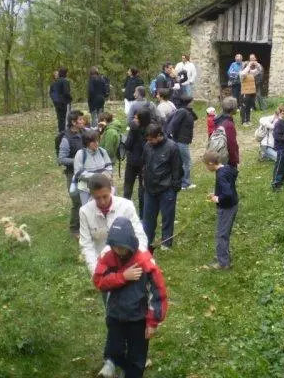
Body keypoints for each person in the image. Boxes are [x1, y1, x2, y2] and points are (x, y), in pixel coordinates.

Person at [79, 175, 149, 378]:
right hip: (106, 270)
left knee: (135, 312)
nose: (102, 201)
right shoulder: (85, 212)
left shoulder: (126, 206)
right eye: (97, 198)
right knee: (113, 315)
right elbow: (86, 244)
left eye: (105, 196)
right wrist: (97, 272)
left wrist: (138, 264)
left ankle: (137, 353)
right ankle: (111, 359)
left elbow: (140, 235)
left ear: (111, 190)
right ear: (91, 196)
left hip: (132, 268)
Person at [93, 217, 167, 378]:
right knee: (114, 352)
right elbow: (99, 282)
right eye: (115, 246)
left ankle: (132, 371)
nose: (118, 251)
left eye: (122, 247)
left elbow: (158, 292)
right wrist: (122, 277)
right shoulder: (107, 256)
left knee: (137, 359)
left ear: (131, 243)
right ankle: (122, 367)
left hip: (138, 319)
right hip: (115, 316)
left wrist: (153, 322)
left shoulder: (144, 260)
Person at [142, 124, 182, 250]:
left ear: (159, 135)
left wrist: (174, 188)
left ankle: (166, 242)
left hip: (166, 189)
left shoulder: (172, 147)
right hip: (149, 189)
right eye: (148, 139)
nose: (149, 142)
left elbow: (177, 169)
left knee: (167, 217)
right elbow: (144, 164)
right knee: (148, 218)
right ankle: (146, 242)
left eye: (151, 139)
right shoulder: (147, 146)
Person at [203, 150, 239, 270]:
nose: (206, 168)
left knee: (221, 235)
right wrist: (216, 194)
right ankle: (224, 255)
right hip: (232, 205)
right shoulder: (227, 169)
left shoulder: (221, 175)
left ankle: (223, 263)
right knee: (224, 233)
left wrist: (217, 198)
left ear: (211, 163)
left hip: (226, 208)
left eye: (206, 165)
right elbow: (229, 184)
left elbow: (227, 194)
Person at [58, 110, 87, 236]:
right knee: (77, 201)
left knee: (86, 199)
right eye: (80, 119)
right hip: (72, 175)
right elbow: (61, 159)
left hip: (85, 173)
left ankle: (85, 225)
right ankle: (74, 228)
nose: (83, 121)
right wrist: (77, 160)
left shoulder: (83, 133)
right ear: (73, 122)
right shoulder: (66, 139)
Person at [123, 109, 151, 218]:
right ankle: (140, 215)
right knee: (137, 188)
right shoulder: (149, 129)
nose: (134, 120)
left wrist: (134, 133)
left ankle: (134, 214)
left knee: (132, 188)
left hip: (137, 162)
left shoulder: (139, 130)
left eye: (136, 118)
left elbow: (127, 145)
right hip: (140, 162)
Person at [167, 95, 198, 190]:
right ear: (189, 102)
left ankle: (180, 182)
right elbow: (174, 124)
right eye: (192, 101)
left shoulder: (186, 111)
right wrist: (172, 135)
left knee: (181, 162)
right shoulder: (182, 111)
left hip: (183, 140)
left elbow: (195, 117)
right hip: (181, 140)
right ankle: (185, 183)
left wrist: (190, 110)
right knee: (186, 162)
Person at [73, 130, 113, 205]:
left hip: (102, 187)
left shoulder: (102, 151)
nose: (96, 143)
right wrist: (96, 177)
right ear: (87, 142)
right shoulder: (80, 154)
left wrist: (107, 174)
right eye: (93, 142)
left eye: (97, 141)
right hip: (86, 189)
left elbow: (109, 167)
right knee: (88, 209)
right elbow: (78, 173)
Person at [214, 97, 240, 168]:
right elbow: (231, 145)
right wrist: (234, 159)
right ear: (233, 109)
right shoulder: (228, 125)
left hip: (220, 157)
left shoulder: (220, 119)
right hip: (228, 161)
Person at [239, 56, 260, 126]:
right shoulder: (241, 73)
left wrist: (256, 64)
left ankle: (248, 120)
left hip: (252, 93)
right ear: (245, 67)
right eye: (248, 66)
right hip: (245, 93)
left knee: (249, 107)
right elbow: (244, 73)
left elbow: (258, 70)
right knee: (244, 107)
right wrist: (249, 65)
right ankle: (243, 121)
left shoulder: (251, 73)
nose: (250, 67)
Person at [52, 67, 72, 132]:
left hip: (57, 102)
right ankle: (65, 132)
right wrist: (70, 98)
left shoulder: (55, 81)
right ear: (65, 73)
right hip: (64, 102)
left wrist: (54, 100)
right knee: (65, 117)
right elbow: (66, 92)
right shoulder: (65, 81)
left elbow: (53, 93)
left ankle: (61, 131)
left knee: (60, 118)